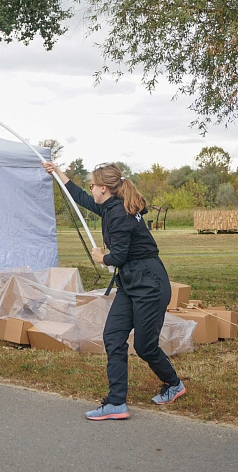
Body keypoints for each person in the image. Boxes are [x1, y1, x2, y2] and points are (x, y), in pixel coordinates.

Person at [42, 160, 186, 420]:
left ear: (104, 188)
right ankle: (117, 402)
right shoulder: (110, 206)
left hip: (149, 285)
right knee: (113, 336)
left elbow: (118, 256)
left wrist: (102, 257)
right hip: (130, 284)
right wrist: (57, 172)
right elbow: (80, 198)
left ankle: (174, 384)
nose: (90, 189)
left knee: (145, 346)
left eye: (92, 185)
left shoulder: (119, 213)